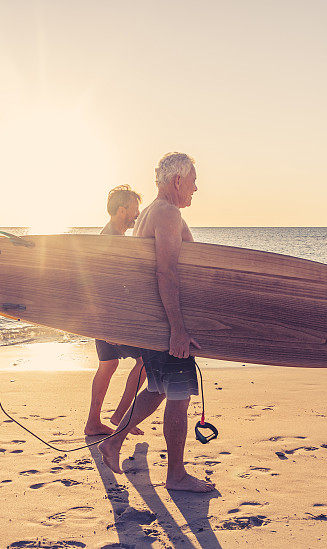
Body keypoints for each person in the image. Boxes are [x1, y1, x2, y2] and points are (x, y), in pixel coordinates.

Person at [98, 153, 215, 493]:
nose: (196, 187)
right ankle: (176, 475)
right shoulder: (166, 213)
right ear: (177, 181)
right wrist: (178, 329)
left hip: (155, 321)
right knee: (178, 397)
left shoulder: (150, 212)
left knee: (159, 390)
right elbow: (166, 270)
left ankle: (113, 443)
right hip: (165, 323)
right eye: (192, 180)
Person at [85, 185, 148, 436]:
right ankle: (122, 415)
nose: (138, 214)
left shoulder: (109, 235)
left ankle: (93, 422)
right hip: (110, 318)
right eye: (135, 209)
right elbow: (103, 283)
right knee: (145, 362)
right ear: (123, 210)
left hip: (103, 317)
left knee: (108, 364)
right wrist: (108, 324)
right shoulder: (111, 240)